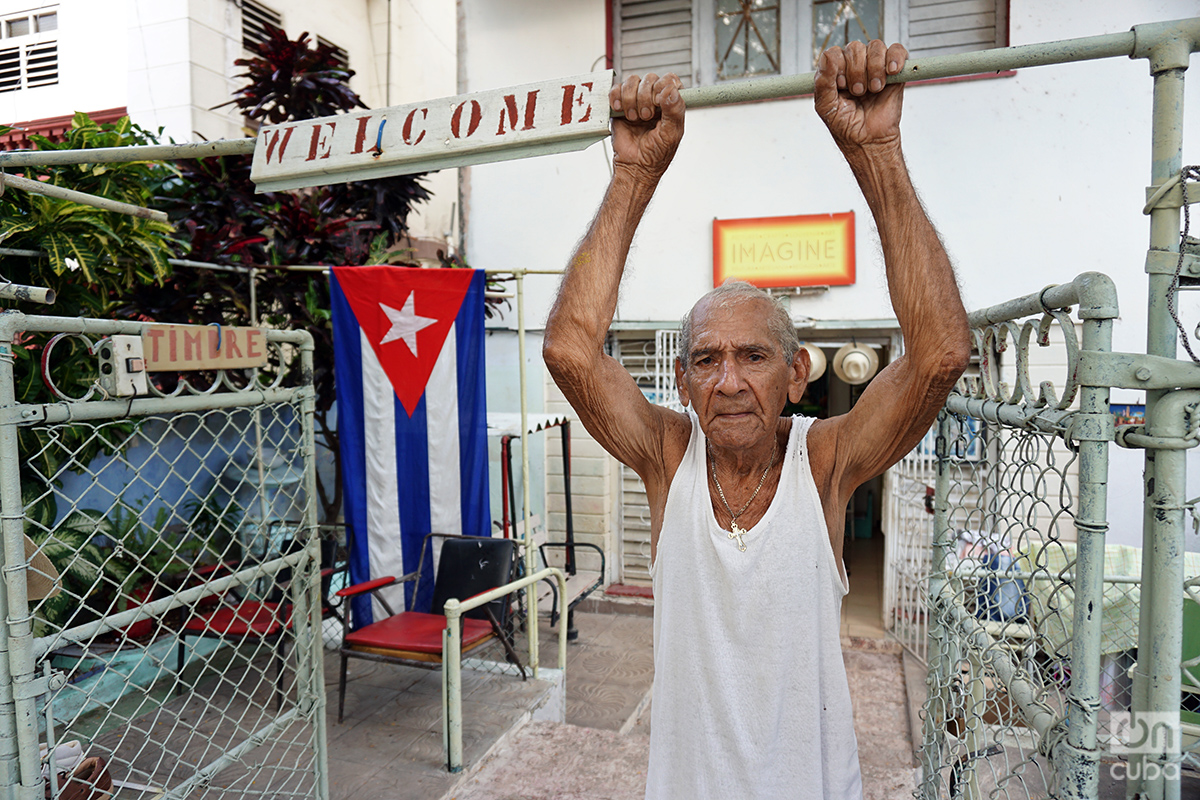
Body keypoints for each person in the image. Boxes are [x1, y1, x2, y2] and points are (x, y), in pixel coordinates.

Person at [542, 40, 970, 799]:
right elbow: (571, 353)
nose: (729, 381)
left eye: (753, 357)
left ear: (797, 373)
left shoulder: (826, 460)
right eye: (705, 360)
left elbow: (938, 354)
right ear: (681, 380)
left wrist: (876, 153)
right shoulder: (666, 454)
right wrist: (634, 174)